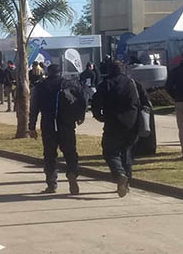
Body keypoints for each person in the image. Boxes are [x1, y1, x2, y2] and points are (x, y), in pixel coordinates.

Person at [92, 61, 149, 198]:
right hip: (132, 122)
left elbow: (96, 102)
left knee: (110, 151)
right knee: (127, 152)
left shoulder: (106, 84)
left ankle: (119, 174)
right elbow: (145, 101)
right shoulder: (133, 83)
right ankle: (126, 182)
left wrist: (99, 116)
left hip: (113, 122)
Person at [29, 64, 86, 194]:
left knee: (49, 155)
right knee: (70, 152)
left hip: (48, 124)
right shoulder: (70, 84)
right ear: (61, 72)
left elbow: (34, 108)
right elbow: (82, 100)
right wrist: (80, 116)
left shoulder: (40, 86)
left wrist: (31, 126)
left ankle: (51, 183)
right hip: (67, 124)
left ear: (48, 73)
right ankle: (72, 173)